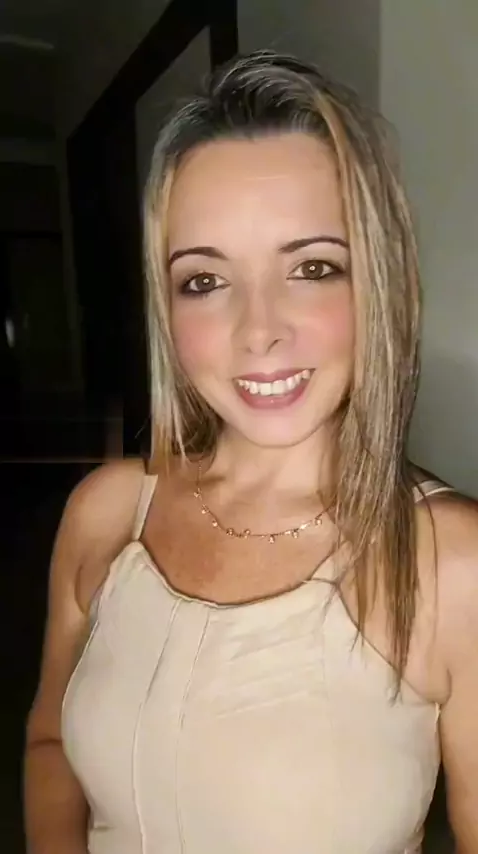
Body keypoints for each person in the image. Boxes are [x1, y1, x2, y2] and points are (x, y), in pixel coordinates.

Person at [24, 51, 478, 854]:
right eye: (204, 281)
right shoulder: (107, 512)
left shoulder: (451, 565)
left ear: (379, 284)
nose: (259, 330)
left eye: (313, 268)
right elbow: (51, 744)